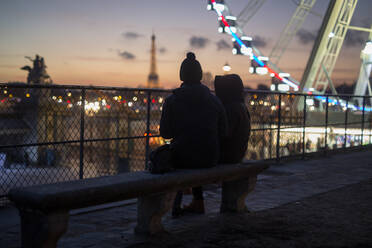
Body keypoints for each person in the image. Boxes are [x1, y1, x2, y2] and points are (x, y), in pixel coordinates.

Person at [160, 52, 227, 217]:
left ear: (182, 75)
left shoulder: (171, 101)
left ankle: (175, 206)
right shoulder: (214, 100)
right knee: (197, 145)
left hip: (182, 157)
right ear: (200, 75)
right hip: (210, 156)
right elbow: (224, 131)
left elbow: (166, 134)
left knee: (181, 151)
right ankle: (199, 202)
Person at [214, 74, 251, 164]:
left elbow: (223, 135)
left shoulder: (231, 109)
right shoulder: (240, 107)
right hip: (236, 155)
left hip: (227, 156)